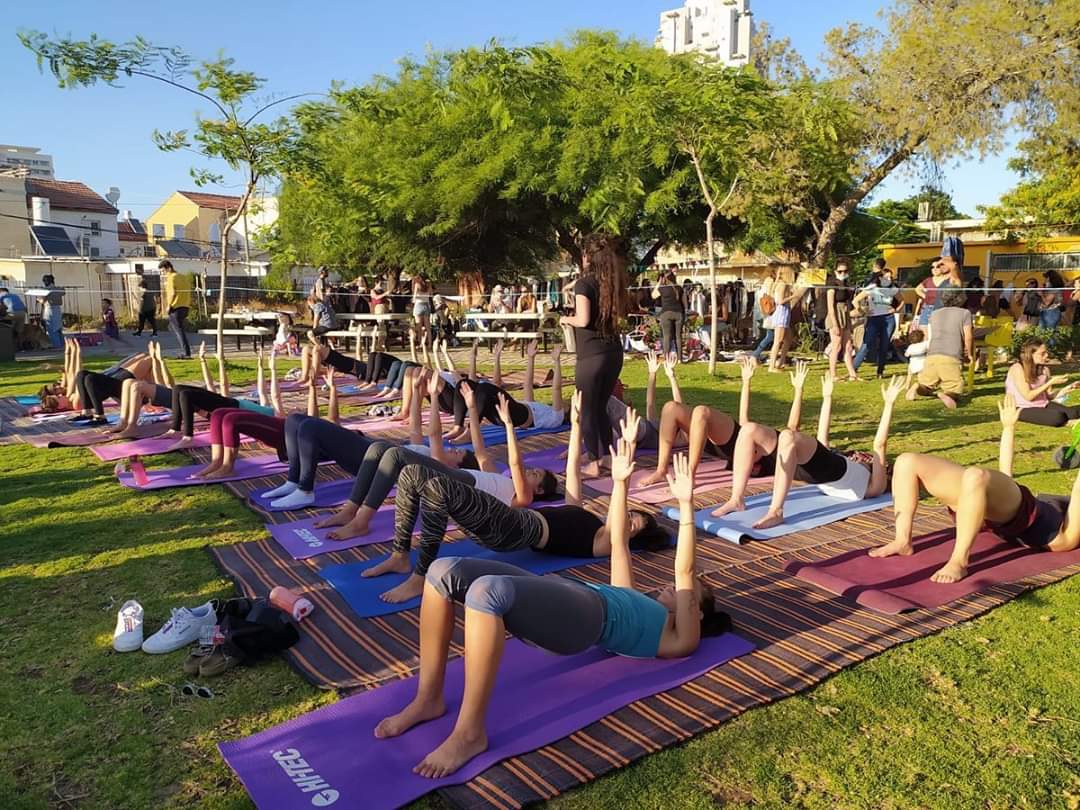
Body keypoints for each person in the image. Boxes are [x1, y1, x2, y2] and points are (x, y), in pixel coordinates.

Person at [373, 446, 727, 779]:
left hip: (585, 619)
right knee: (443, 570)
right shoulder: (637, 599)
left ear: (695, 613)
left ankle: (469, 733)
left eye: (689, 595)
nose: (676, 588)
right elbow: (619, 541)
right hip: (568, 594)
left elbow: (684, 571)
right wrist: (620, 482)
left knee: (487, 591)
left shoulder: (680, 639)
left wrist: (686, 506)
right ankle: (428, 698)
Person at [363, 397, 671, 604]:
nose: (627, 521)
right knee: (413, 472)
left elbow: (617, 508)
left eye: (633, 526)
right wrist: (576, 425)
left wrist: (623, 471)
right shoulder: (589, 518)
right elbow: (573, 475)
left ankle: (421, 576)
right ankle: (400, 555)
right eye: (631, 516)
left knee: (438, 488)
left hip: (511, 530)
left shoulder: (607, 543)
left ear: (631, 538)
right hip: (507, 518)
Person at [870, 395, 1080, 583]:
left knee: (968, 475)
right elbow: (1006, 478)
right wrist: (1008, 428)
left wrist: (1009, 429)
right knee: (906, 461)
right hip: (1015, 504)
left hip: (1002, 512)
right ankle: (902, 540)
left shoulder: (1061, 542)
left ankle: (959, 561)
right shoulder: (1061, 533)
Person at [749, 375, 903, 529]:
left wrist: (889, 405)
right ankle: (771, 508)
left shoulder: (876, 487)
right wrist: (827, 397)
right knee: (787, 437)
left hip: (829, 475)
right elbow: (824, 442)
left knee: (788, 436)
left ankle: (776, 511)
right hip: (823, 477)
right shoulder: (871, 487)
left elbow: (880, 445)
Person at [708, 361, 817, 517]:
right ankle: (736, 499)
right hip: (783, 460)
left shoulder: (765, 455)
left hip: (791, 461)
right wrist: (746, 381)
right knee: (752, 429)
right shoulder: (748, 461)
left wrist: (799, 390)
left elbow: (792, 427)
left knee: (769, 431)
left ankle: (767, 508)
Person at [560, 234, 628, 477]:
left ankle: (593, 460)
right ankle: (607, 456)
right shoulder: (612, 284)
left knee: (586, 408)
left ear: (587, 257)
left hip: (591, 355)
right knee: (600, 406)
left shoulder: (585, 284)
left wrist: (565, 318)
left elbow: (583, 319)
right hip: (613, 353)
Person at [907, 290, 973, 409]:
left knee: (927, 384)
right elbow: (968, 336)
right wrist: (969, 353)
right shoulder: (965, 313)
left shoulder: (934, 313)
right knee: (954, 386)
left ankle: (918, 386)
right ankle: (948, 395)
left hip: (932, 355)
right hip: (951, 356)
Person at [1005, 338, 1080, 426]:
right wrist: (1050, 383)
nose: (1046, 355)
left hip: (1042, 404)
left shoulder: (1045, 370)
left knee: (1073, 413)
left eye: (1046, 352)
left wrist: (1068, 388)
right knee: (1058, 417)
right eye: (1042, 353)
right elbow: (1028, 396)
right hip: (1021, 407)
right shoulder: (1017, 368)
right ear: (1030, 354)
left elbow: (1049, 396)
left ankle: (1071, 421)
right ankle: (1070, 423)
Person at [68, 352, 155, 424]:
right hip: (116, 380)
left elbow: (152, 382)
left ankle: (100, 416)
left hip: (120, 385)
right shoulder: (143, 355)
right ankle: (87, 412)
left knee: (89, 378)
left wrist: (148, 401)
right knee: (81, 373)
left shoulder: (151, 359)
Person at [852, 264, 901, 378]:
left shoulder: (893, 288)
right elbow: (855, 300)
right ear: (880, 278)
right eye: (886, 277)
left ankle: (880, 371)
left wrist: (896, 309)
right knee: (866, 344)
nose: (889, 279)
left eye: (890, 277)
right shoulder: (872, 287)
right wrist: (863, 312)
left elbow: (901, 300)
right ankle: (853, 369)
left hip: (888, 319)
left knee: (884, 345)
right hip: (874, 319)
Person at [824, 260, 858, 381]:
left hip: (845, 314)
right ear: (835, 271)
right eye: (840, 271)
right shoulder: (831, 284)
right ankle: (833, 374)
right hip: (836, 315)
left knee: (848, 346)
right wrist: (835, 324)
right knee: (836, 346)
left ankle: (853, 374)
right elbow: (830, 306)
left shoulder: (846, 284)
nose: (843, 273)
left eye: (845, 271)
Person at [161, 261, 192, 358]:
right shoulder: (183, 277)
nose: (164, 274)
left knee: (178, 331)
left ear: (169, 268)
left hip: (175, 307)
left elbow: (172, 293)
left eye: (164, 271)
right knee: (175, 327)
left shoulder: (171, 278)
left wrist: (169, 305)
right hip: (185, 306)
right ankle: (186, 350)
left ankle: (186, 353)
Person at [652, 269, 684, 361]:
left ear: (664, 279)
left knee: (667, 336)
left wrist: (659, 283)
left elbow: (653, 295)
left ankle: (666, 358)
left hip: (666, 313)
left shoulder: (663, 288)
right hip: (678, 313)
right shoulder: (679, 288)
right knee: (678, 336)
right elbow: (684, 301)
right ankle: (680, 359)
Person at [39, 274, 65, 349]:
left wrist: (39, 299)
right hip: (58, 309)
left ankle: (57, 346)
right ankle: (62, 345)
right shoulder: (58, 289)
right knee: (58, 329)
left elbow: (42, 300)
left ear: (46, 282)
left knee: (52, 329)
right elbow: (63, 292)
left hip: (49, 309)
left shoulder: (46, 290)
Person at [412, 273, 434, 346]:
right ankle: (430, 344)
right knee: (428, 327)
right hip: (426, 305)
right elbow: (431, 294)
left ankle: (420, 343)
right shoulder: (428, 284)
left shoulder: (417, 285)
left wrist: (413, 300)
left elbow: (414, 297)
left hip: (419, 305)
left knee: (419, 326)